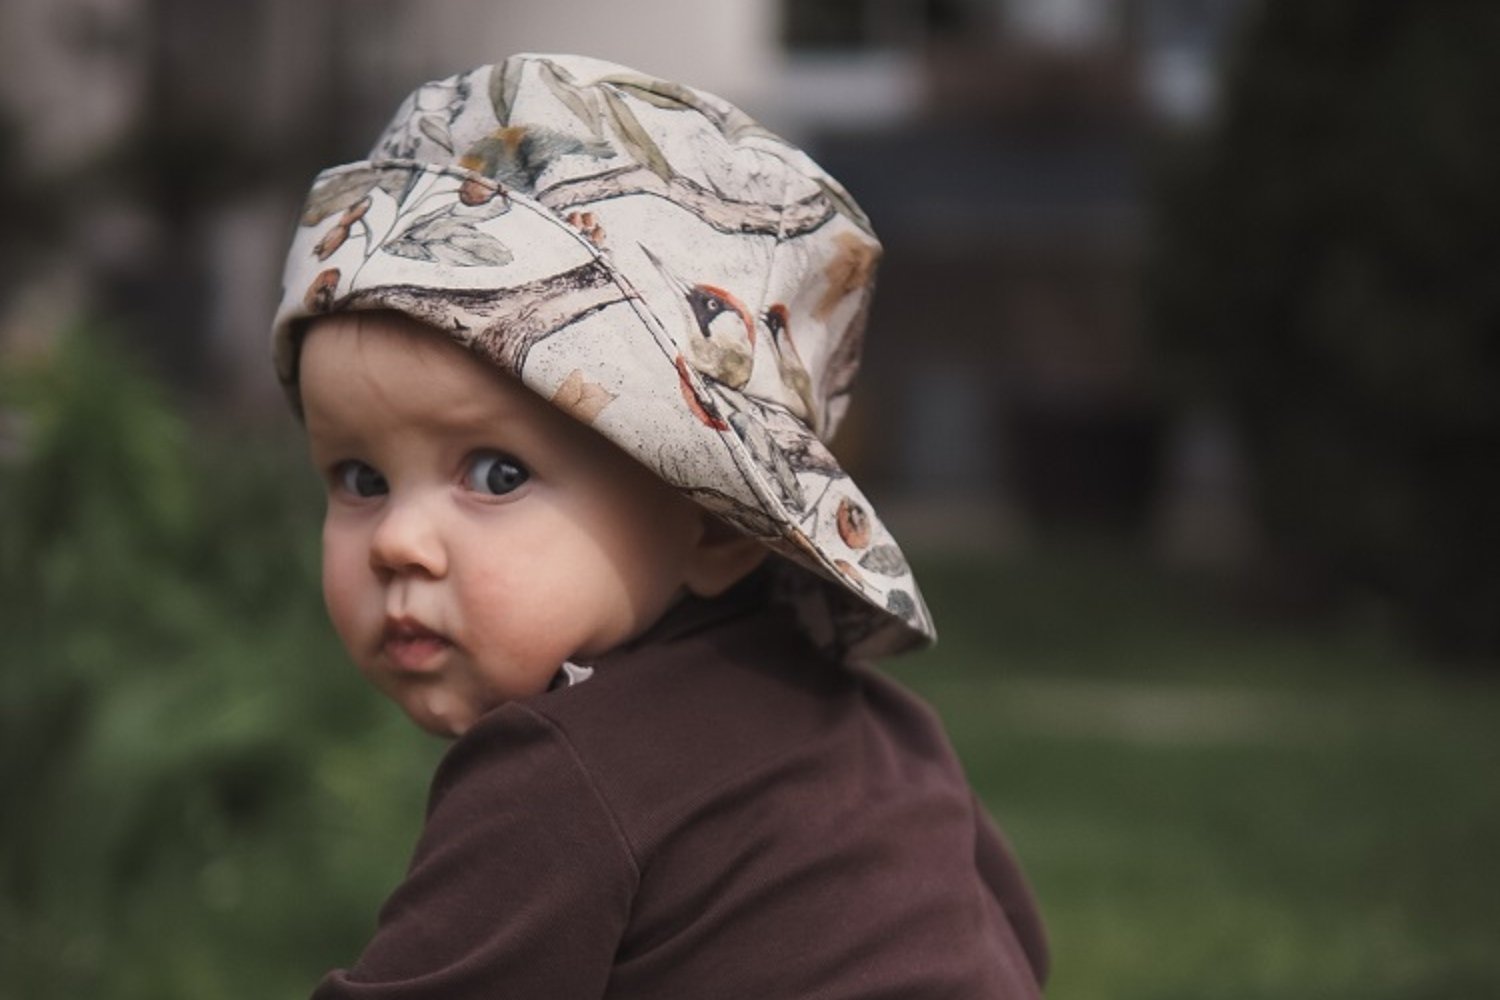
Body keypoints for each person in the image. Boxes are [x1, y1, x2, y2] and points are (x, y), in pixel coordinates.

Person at [271, 52, 1047, 998]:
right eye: (359, 477)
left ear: (715, 527)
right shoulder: (886, 731)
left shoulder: (559, 780)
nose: (398, 543)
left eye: (497, 473)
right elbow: (1009, 948)